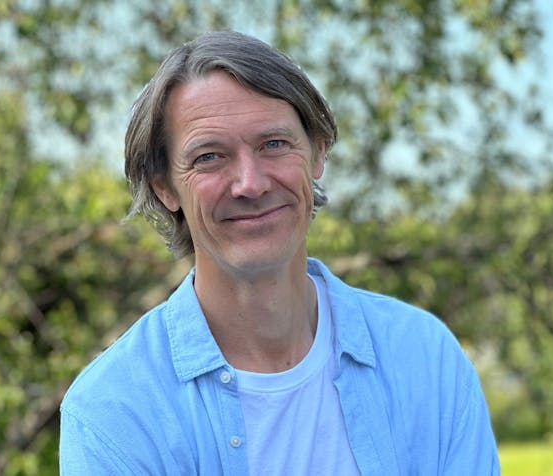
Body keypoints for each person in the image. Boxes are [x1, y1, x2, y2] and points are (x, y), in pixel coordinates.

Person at [59, 30, 500, 475]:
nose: (250, 184)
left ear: (317, 153)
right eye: (209, 157)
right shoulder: (113, 411)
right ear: (165, 188)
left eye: (273, 144)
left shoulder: (425, 359)